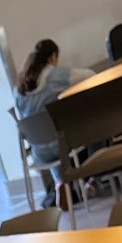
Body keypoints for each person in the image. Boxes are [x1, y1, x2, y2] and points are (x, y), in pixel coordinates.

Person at [12, 41, 89, 209]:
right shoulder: (57, 76)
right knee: (86, 126)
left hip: (39, 152)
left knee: (49, 136)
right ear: (53, 56)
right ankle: (92, 181)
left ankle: (60, 182)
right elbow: (90, 75)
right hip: (63, 146)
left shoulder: (19, 89)